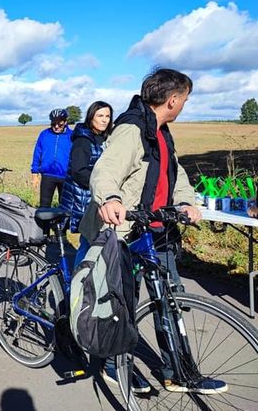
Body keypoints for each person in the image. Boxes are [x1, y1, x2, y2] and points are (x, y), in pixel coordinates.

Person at [79, 68, 227, 395]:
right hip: (125, 230)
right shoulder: (132, 129)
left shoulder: (161, 131)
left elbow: (176, 174)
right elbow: (104, 172)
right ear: (173, 100)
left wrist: (186, 201)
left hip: (158, 229)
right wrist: (111, 198)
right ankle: (115, 364)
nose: (185, 105)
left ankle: (179, 371)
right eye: (185, 99)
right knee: (120, 305)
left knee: (168, 301)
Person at [59, 101, 113, 257]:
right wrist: (102, 185)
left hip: (95, 197)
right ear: (91, 118)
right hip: (83, 199)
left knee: (93, 243)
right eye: (100, 115)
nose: (104, 120)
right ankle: (79, 279)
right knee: (88, 242)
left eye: (108, 116)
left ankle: (86, 276)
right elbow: (78, 171)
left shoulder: (102, 138)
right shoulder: (83, 140)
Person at [30, 108, 73, 207]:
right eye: (53, 124)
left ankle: (62, 223)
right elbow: (37, 153)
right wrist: (35, 173)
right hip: (48, 175)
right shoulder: (44, 134)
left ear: (66, 122)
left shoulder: (72, 136)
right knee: (44, 206)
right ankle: (44, 223)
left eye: (60, 124)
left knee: (65, 207)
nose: (56, 127)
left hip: (66, 176)